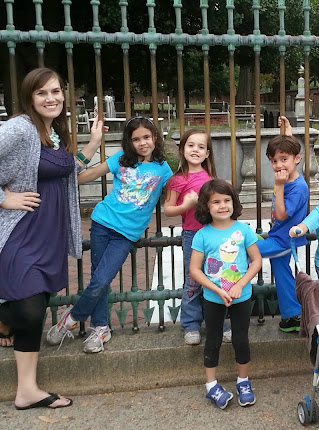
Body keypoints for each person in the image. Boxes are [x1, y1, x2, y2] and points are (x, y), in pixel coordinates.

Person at [0, 67, 105, 409]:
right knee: (29, 310)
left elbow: (67, 172)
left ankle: (26, 390)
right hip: (20, 231)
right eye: (42, 92)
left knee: (36, 306)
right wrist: (3, 198)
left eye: (56, 91)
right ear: (29, 97)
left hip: (49, 235)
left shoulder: (55, 132)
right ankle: (5, 319)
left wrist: (92, 145)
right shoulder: (20, 129)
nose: (51, 98)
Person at [46, 116, 173, 353]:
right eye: (136, 139)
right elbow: (88, 175)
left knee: (102, 280)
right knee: (99, 279)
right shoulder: (121, 159)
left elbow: (176, 193)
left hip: (126, 234)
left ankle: (71, 319)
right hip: (102, 223)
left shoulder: (163, 169)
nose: (142, 143)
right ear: (129, 142)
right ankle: (101, 328)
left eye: (146, 137)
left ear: (155, 137)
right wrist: (60, 175)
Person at [189, 179, 261, 409]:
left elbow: (256, 261)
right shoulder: (202, 235)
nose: (222, 206)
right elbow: (194, 269)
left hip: (242, 296)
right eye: (216, 202)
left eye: (227, 200)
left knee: (241, 339)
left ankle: (243, 381)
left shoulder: (244, 230)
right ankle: (211, 385)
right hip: (213, 297)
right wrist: (217, 290)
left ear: (234, 202)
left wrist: (240, 285)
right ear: (206, 206)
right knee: (213, 339)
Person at [163, 129, 232, 345]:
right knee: (193, 280)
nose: (195, 150)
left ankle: (219, 323)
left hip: (214, 234)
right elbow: (168, 209)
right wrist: (186, 205)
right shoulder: (177, 180)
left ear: (207, 153)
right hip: (192, 235)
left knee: (216, 277)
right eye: (191, 145)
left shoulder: (211, 179)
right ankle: (191, 324)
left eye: (201, 147)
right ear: (182, 149)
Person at [256, 116, 308, 333]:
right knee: (282, 274)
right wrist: (287, 132)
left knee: (245, 250)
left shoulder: (297, 187)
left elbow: (282, 214)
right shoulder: (290, 172)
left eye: (283, 159)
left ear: (297, 159)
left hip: (283, 240)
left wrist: (278, 186)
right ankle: (292, 316)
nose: (278, 165)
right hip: (279, 236)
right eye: (274, 161)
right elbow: (289, 150)